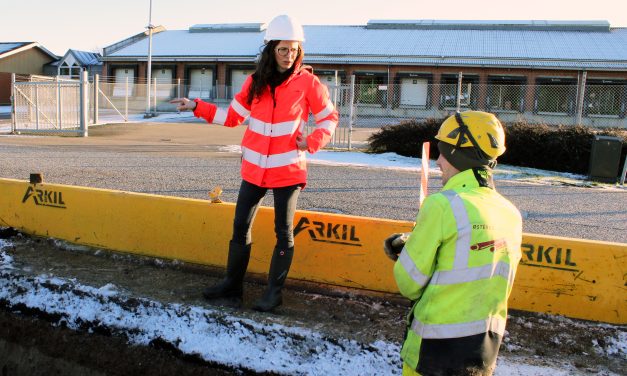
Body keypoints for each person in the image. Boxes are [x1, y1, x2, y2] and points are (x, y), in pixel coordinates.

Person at [171, 15, 338, 312]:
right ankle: (232, 286)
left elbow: (328, 118)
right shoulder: (254, 82)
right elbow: (231, 116)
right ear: (271, 49)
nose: (289, 56)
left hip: (288, 170)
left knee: (284, 232)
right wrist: (197, 105)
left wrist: (312, 141)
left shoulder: (309, 84)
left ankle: (274, 294)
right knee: (239, 227)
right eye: (283, 49)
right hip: (254, 170)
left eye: (294, 49)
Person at [383, 111, 523, 376]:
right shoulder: (510, 213)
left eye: (443, 152)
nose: (438, 161)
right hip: (483, 351)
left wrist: (407, 253)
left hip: (433, 352)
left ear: (459, 155)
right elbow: (476, 262)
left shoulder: (442, 205)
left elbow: (409, 283)